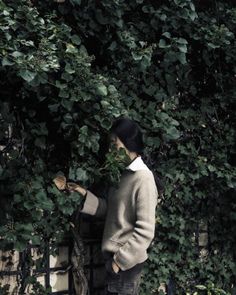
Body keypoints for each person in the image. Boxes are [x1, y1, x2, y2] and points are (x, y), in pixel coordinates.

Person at [54, 117, 158, 295]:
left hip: (126, 265)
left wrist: (119, 262)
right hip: (115, 261)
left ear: (128, 143)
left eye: (114, 143)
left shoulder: (144, 178)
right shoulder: (123, 175)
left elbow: (146, 231)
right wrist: (83, 192)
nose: (110, 149)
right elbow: (111, 212)